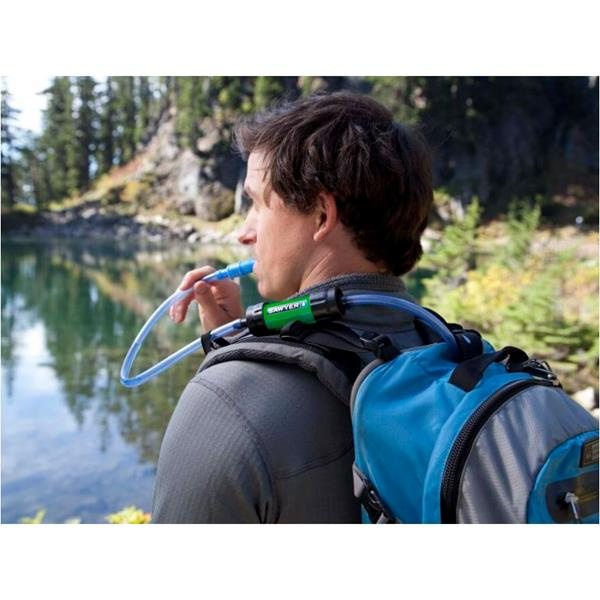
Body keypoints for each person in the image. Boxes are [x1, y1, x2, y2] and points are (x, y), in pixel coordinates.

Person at [151, 91, 434, 523]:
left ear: (321, 215)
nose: (244, 234)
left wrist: (231, 379)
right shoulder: (446, 351)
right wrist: (235, 345)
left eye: (257, 204)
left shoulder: (226, 404)